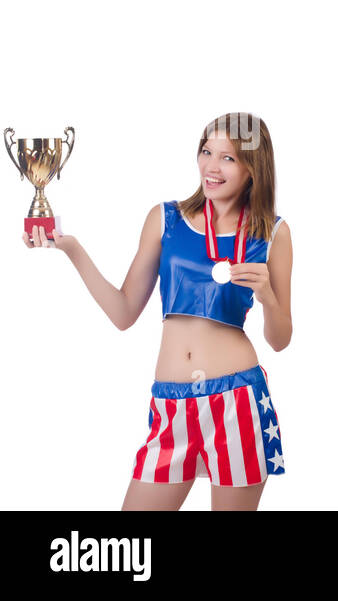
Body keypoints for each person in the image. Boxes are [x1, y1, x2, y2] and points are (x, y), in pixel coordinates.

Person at [22, 113, 292, 510]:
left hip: (238, 401)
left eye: (228, 158)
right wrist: (72, 249)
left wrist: (268, 295)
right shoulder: (165, 219)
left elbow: (281, 339)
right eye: (206, 152)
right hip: (169, 403)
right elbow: (124, 312)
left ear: (254, 166)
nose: (211, 167)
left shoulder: (272, 233)